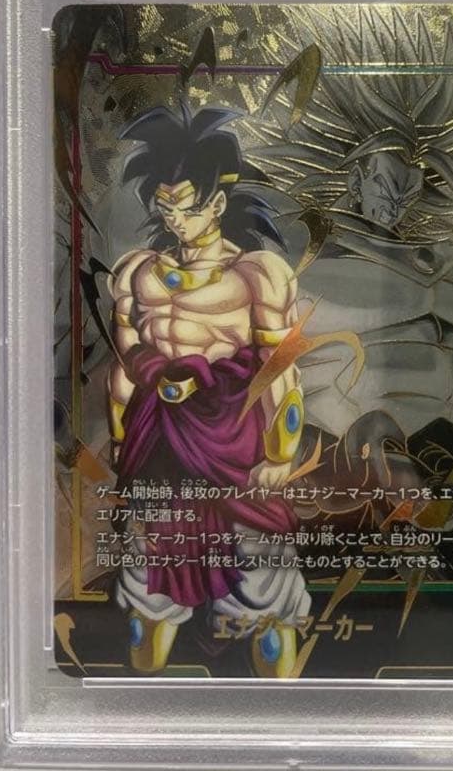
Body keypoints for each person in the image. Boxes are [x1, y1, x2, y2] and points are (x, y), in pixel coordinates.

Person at [107, 104, 311, 676]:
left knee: (262, 588)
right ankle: (137, 715)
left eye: (188, 207)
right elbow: (125, 362)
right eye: (166, 207)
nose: (176, 220)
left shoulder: (257, 274)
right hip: (157, 442)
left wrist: (281, 452)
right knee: (147, 586)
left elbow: (281, 368)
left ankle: (286, 710)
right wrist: (122, 437)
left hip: (233, 440)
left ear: (217, 204)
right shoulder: (137, 270)